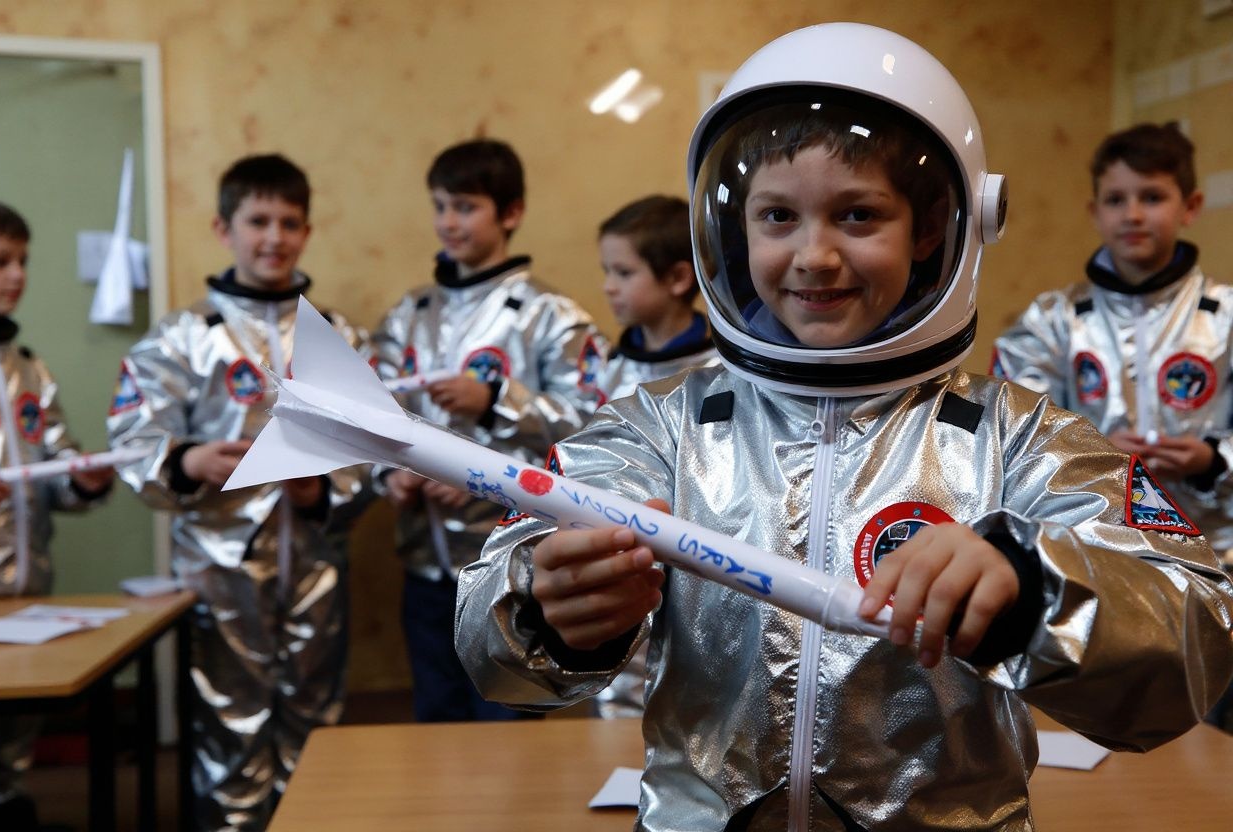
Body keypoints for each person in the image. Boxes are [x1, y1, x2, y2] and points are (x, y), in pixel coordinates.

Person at [454, 24, 1233, 831]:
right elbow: (487, 634)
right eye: (778, 217)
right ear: (732, 230)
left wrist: (1034, 587)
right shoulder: (661, 427)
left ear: (936, 228)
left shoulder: (1019, 438)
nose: (814, 256)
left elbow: (1199, 642)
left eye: (858, 215)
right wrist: (547, 606)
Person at [107, 155, 371, 831]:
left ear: (307, 231)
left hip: (316, 560)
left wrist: (325, 489)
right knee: (230, 719)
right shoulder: (183, 335)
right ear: (224, 227)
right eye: (258, 221)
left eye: (289, 223)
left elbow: (380, 443)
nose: (273, 237)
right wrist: (189, 457)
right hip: (218, 569)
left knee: (315, 715)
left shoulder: (337, 334)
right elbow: (133, 437)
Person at [993, 122, 1233, 731]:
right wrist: (1096, 454)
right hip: (1100, 565)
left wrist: (1212, 458)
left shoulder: (1226, 318)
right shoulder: (1050, 321)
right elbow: (1012, 434)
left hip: (1220, 564)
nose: (1133, 214)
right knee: (1115, 726)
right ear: (1094, 210)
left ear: (1190, 206)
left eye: (1152, 197)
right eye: (1116, 199)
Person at [372, 138, 607, 722]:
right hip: (426, 563)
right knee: (436, 710)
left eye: (466, 206)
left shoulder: (550, 314)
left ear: (511, 213)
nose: (449, 222)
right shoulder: (410, 314)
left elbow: (593, 426)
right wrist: (389, 475)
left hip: (511, 564)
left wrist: (499, 398)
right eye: (440, 206)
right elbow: (370, 416)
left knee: (507, 723)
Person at [0, 198, 115, 832]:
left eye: (23, 262)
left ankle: (5, 802)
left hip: (26, 590)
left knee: (11, 741)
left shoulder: (30, 370)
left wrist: (83, 481)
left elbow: (54, 471)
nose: (17, 276)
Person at [592, 194, 718, 718]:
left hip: (696, 576)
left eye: (623, 271)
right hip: (619, 560)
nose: (608, 286)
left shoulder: (718, 372)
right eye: (606, 271)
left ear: (677, 279)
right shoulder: (607, 368)